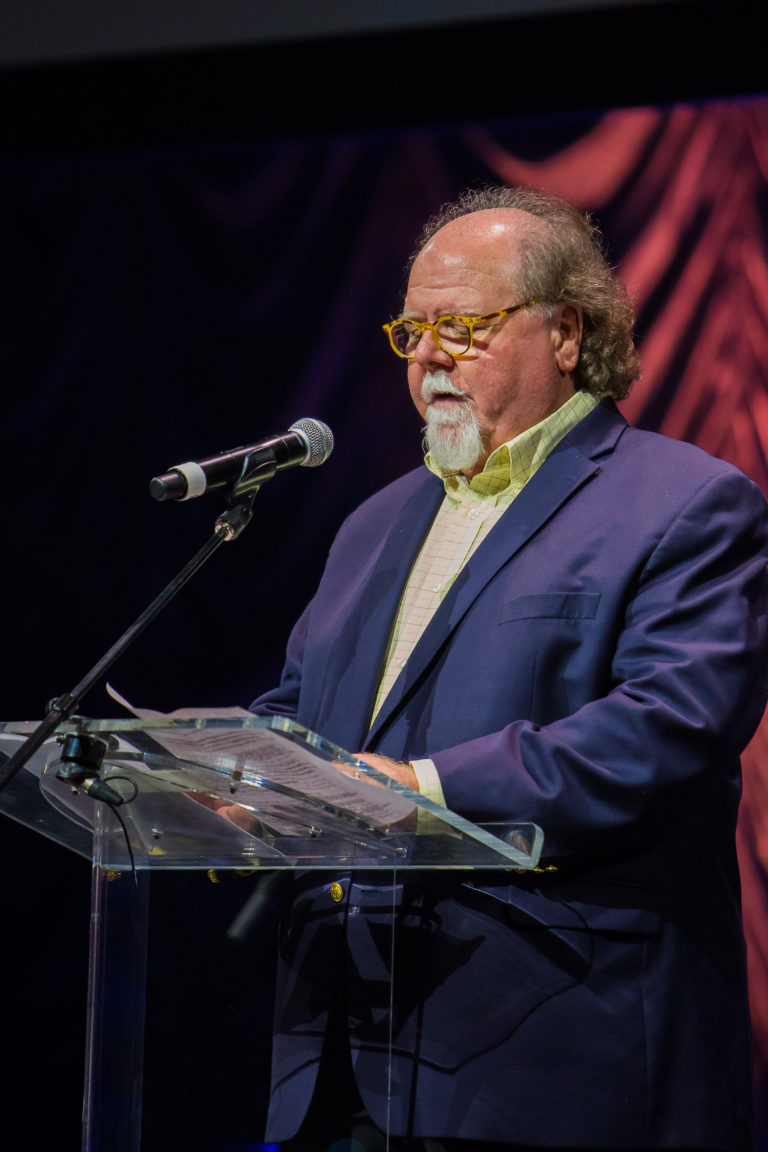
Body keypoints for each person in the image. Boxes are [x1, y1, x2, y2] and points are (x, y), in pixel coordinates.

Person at [250, 185, 768, 1151]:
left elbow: (665, 729)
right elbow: (299, 713)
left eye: (462, 327)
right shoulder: (372, 525)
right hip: (344, 1062)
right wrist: (234, 781)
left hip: (555, 1062)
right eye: (412, 333)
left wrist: (424, 791)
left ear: (565, 334)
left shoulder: (687, 503)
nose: (429, 358)